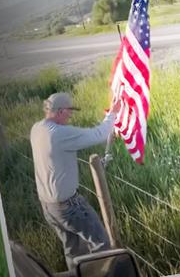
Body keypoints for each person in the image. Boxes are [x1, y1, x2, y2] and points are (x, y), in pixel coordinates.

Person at [30, 91, 120, 268]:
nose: (71, 115)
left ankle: (77, 273)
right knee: (101, 244)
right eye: (69, 111)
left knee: (73, 250)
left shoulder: (36, 129)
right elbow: (98, 135)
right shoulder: (58, 134)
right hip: (68, 207)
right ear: (60, 111)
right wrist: (113, 113)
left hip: (49, 207)